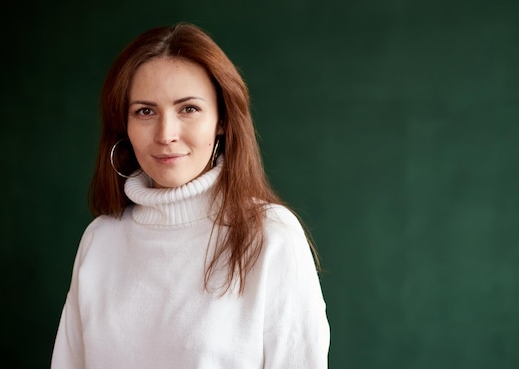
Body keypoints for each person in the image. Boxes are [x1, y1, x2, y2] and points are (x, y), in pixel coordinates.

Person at [51, 23, 330, 369]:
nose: (166, 134)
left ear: (222, 120)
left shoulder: (271, 236)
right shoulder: (99, 241)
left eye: (189, 109)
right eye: (145, 111)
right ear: (124, 125)